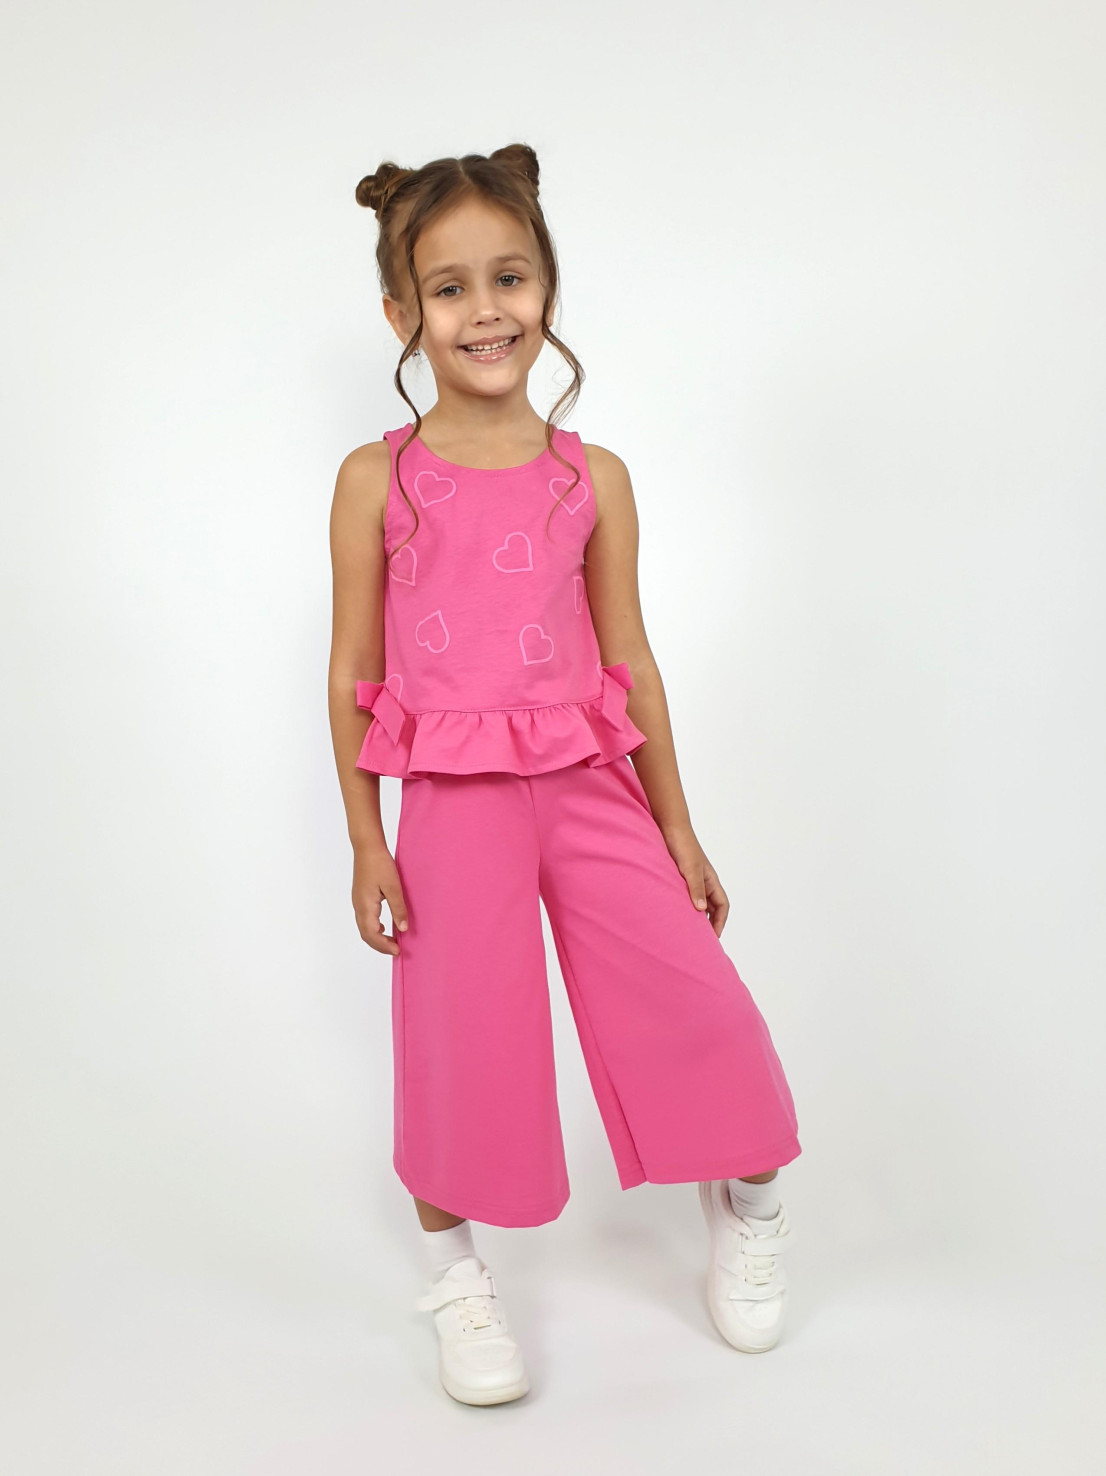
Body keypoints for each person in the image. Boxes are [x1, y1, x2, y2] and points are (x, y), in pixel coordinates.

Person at [328, 143, 802, 1406]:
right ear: (401, 313)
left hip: (591, 787)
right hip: (450, 806)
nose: (484, 310)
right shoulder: (377, 478)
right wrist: (367, 839)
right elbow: (350, 673)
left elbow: (630, 662)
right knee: (455, 1038)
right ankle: (456, 1280)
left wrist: (678, 827)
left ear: (546, 290)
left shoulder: (592, 479)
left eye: (509, 278)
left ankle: (750, 1201)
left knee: (697, 1002)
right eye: (448, 289)